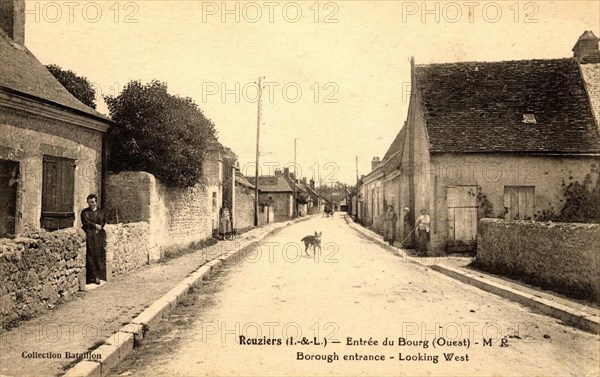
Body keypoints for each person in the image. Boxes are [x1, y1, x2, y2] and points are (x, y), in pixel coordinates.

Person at [81, 194, 106, 285]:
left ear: (96, 202)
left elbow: (103, 221)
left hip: (99, 236)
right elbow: (85, 222)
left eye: (93, 202)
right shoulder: (85, 212)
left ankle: (98, 276)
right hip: (89, 236)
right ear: (87, 202)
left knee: (98, 255)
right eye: (89, 202)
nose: (91, 204)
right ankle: (92, 277)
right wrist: (95, 226)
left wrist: (100, 227)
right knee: (90, 256)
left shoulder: (101, 212)